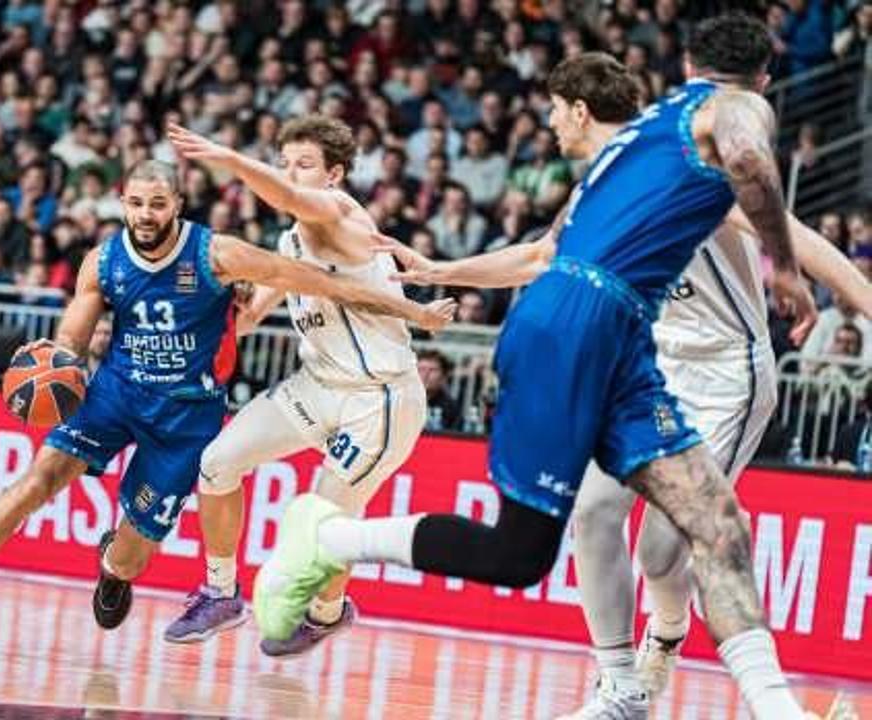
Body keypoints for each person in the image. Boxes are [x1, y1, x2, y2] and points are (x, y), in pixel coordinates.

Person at [252, 16, 828, 719]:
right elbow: (742, 162)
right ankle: (329, 537)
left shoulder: (651, 132)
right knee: (535, 548)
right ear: (763, 78)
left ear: (682, 65)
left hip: (622, 343)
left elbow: (549, 250)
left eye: (555, 112)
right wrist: (793, 277)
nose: (550, 124)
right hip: (588, 329)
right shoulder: (705, 120)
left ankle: (726, 701)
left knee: (697, 527)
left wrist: (442, 269)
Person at [382, 52, 872, 718]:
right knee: (591, 514)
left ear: (579, 112)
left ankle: (675, 643)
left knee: (665, 547)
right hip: (653, 358)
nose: (549, 124)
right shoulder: (605, 182)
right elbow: (535, 258)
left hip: (726, 370)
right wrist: (441, 271)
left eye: (554, 110)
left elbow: (813, 250)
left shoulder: (688, 163)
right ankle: (622, 686)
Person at [0, 160, 453, 632]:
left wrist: (414, 311)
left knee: (130, 559)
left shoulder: (217, 254)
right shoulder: (102, 262)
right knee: (40, 479)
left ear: (177, 204)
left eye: (157, 204)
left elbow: (320, 281)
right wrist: (56, 368)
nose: (145, 214)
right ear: (122, 204)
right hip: (116, 393)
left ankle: (112, 568)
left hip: (184, 420)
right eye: (135, 203)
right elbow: (69, 343)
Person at [160, 116, 434, 656]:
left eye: (304, 166)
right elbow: (250, 315)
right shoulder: (288, 242)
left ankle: (328, 613)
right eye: (284, 163)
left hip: (378, 398)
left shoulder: (340, 211)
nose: (291, 175)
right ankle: (220, 593)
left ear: (334, 175)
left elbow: (288, 196)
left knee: (325, 525)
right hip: (315, 386)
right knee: (216, 463)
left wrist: (231, 160)